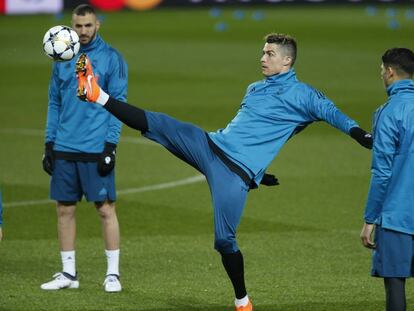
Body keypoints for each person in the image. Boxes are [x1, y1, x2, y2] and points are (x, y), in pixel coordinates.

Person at [76, 33, 372, 310]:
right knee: (161, 123)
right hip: (211, 145)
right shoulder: (254, 88)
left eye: (270, 54)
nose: (263, 58)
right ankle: (97, 94)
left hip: (234, 175)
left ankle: (242, 301)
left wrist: (360, 134)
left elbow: (333, 114)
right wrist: (261, 170)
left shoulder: (304, 96)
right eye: (263, 52)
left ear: (287, 61)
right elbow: (251, 132)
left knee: (224, 240)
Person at [40, 4, 128, 293]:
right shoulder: (62, 55)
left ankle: (113, 274)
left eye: (89, 25)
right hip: (65, 146)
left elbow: (119, 104)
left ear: (98, 24)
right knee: (64, 209)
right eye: (78, 26)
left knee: (105, 209)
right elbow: (55, 102)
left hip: (95, 147)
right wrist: (49, 142)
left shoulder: (112, 58)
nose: (83, 32)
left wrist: (111, 146)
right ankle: (68, 273)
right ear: (72, 25)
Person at [360, 48, 414, 311]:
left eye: (381, 70)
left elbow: (382, 173)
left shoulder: (388, 112)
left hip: (397, 215)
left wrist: (370, 219)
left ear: (390, 72)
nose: (381, 74)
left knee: (395, 283)